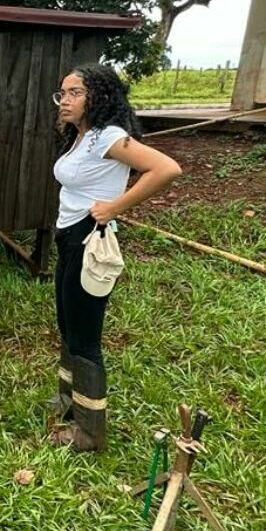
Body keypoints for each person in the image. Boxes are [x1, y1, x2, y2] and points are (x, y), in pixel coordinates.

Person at [48, 63, 182, 452]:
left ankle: (89, 433)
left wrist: (114, 207)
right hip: (68, 237)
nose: (65, 101)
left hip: (88, 239)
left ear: (99, 96)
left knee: (85, 336)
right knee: (67, 323)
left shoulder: (109, 136)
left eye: (75, 93)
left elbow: (166, 169)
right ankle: (68, 400)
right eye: (63, 93)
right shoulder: (81, 136)